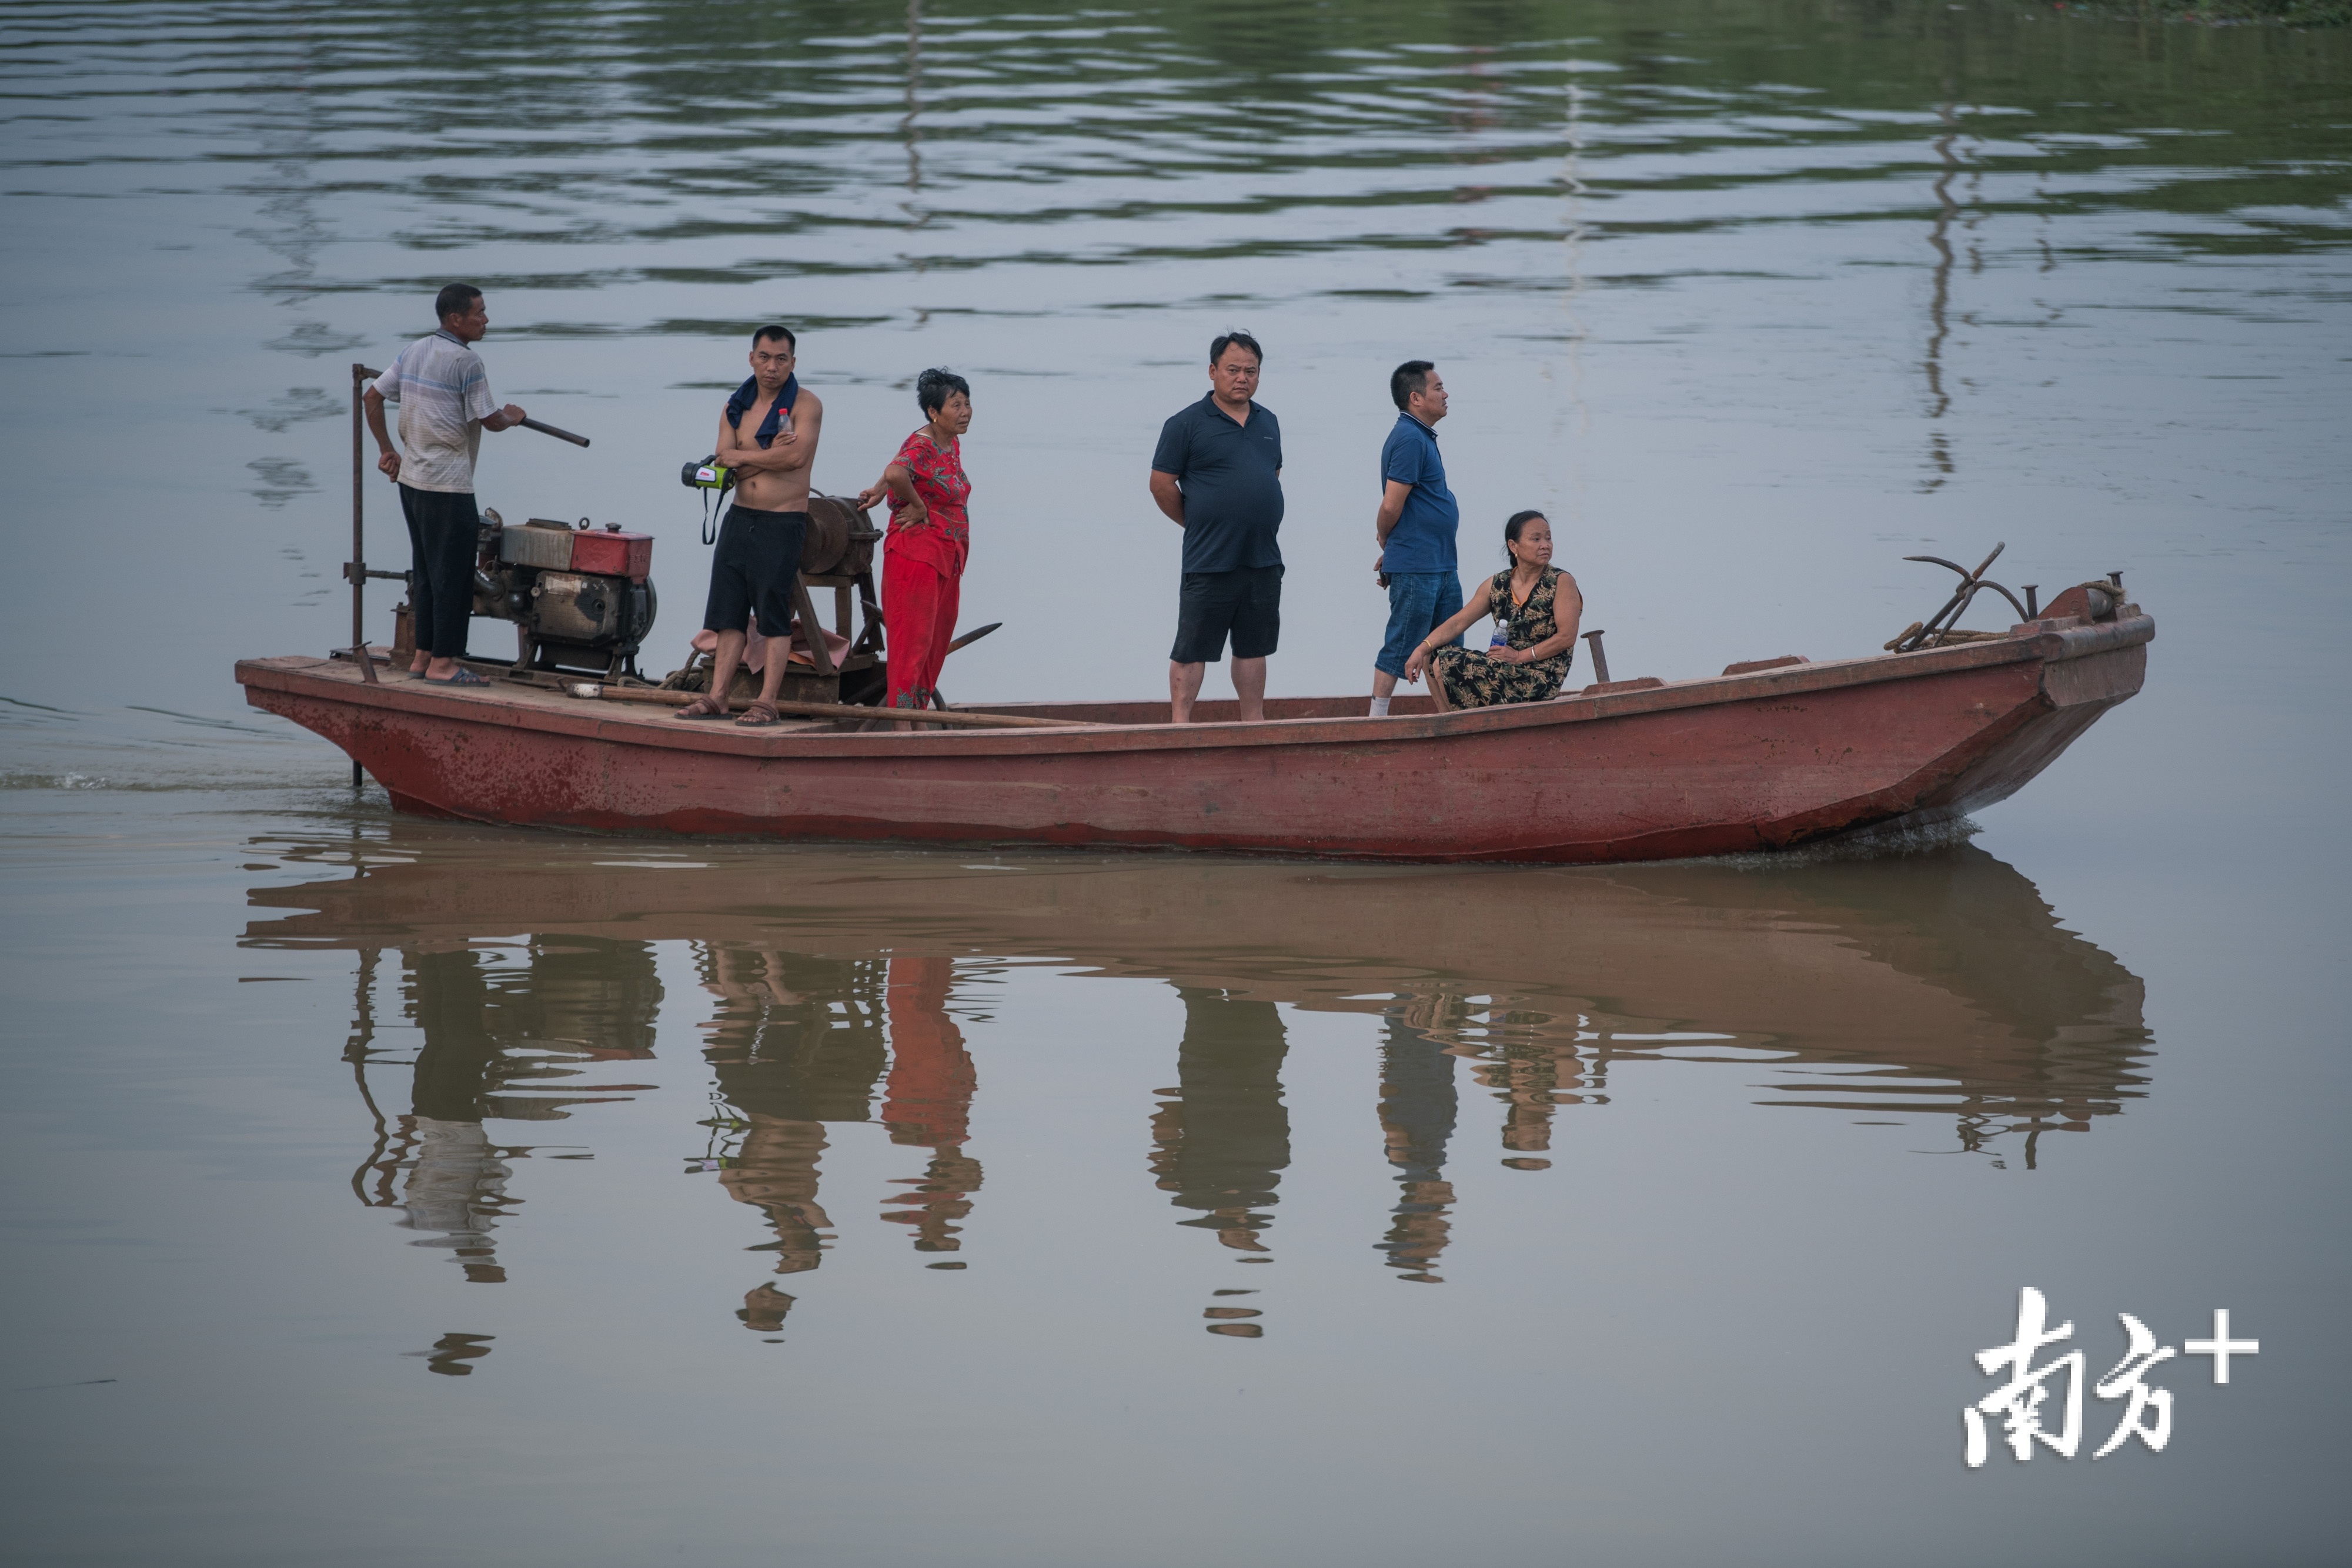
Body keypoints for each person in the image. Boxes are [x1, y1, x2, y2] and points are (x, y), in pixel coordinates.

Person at [363, 284, 528, 685]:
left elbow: (371, 397)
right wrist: (513, 416)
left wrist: (388, 449)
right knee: (453, 575)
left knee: (426, 569)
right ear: (456, 319)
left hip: (413, 481)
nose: (486, 320)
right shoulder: (467, 362)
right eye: (480, 312)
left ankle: (423, 656)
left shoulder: (414, 350)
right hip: (448, 485)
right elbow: (489, 418)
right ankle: (444, 664)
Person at [674, 325, 826, 727]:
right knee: (728, 612)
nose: (772, 367)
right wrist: (760, 454)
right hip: (739, 517)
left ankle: (767, 701)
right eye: (764, 357)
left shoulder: (806, 405)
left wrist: (742, 457)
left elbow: (795, 459)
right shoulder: (735, 405)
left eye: (781, 359)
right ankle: (718, 697)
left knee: (774, 613)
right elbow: (722, 457)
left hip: (782, 519)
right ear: (751, 358)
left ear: (793, 363)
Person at [1150, 332, 1284, 723]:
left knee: (1254, 647)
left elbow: (1271, 474)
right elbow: (1161, 485)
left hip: (1262, 556)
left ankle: (1253, 723)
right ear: (1213, 372)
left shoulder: (1268, 422)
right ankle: (1180, 725)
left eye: (1251, 371)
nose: (1242, 378)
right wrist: (1199, 522)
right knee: (1192, 646)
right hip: (1209, 557)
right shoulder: (1186, 424)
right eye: (1233, 370)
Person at [855, 369, 973, 714]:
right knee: (913, 642)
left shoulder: (948, 441)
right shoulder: (923, 443)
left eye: (968, 403)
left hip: (947, 557)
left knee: (935, 641)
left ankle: (916, 717)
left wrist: (878, 491)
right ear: (934, 413)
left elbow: (897, 466)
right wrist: (917, 505)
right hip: (916, 557)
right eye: (956, 405)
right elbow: (898, 472)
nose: (965, 411)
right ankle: (902, 724)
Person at [1403, 510, 1582, 709]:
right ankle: (1446, 725)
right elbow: (1458, 622)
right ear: (1513, 546)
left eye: (1548, 538)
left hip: (1539, 678)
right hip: (1505, 668)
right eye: (1536, 539)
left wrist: (1520, 656)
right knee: (1432, 656)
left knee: (1448, 661)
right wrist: (1420, 649)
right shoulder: (1497, 584)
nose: (1545, 545)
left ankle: (1453, 728)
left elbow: (1567, 637)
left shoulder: (1561, 581)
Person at [1369, 359, 1462, 717]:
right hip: (1418, 565)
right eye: (1438, 388)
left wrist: (1393, 546)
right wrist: (1386, 540)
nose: (1446, 393)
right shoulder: (1409, 439)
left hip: (1441, 562)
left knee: (1449, 647)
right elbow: (1391, 506)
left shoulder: (1421, 436)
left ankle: (1453, 715)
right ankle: (1376, 722)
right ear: (1416, 398)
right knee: (1404, 642)